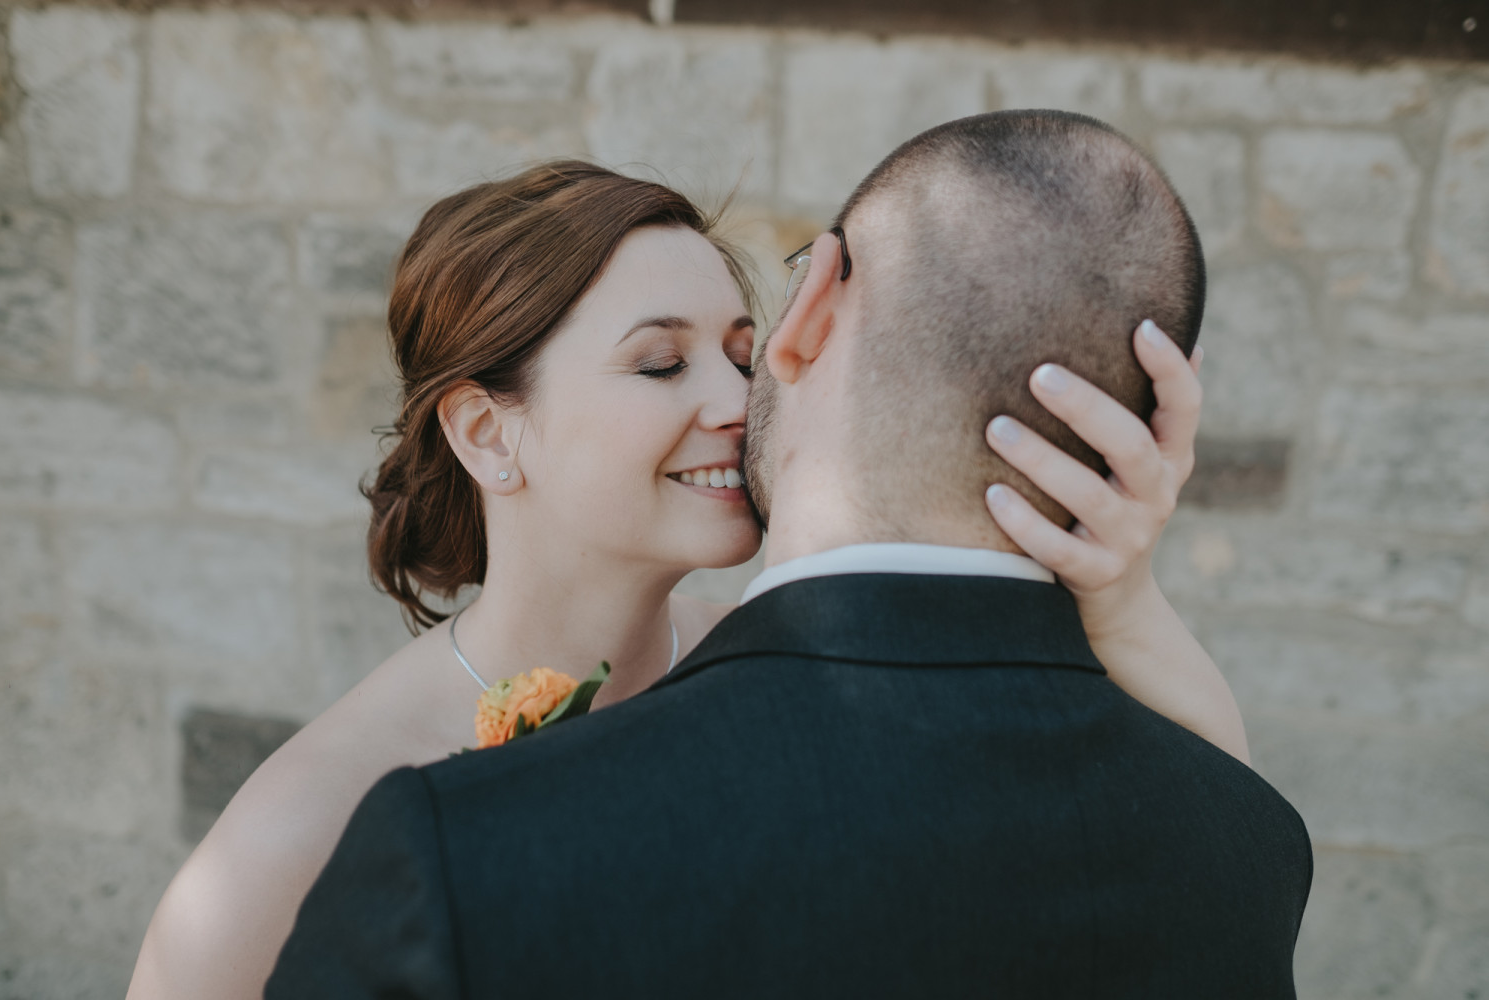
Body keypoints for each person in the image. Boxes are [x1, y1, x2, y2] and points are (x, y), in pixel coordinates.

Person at [131, 151, 1240, 999]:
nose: (736, 398)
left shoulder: (788, 666)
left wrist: (1121, 587)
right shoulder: (302, 821)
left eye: (745, 351)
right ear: (485, 432)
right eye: (661, 361)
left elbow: (1216, 816)